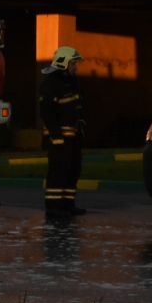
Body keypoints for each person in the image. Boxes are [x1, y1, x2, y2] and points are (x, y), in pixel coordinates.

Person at [39, 45, 87, 218]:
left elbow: (76, 106)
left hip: (73, 137)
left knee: (72, 170)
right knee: (58, 172)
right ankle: (53, 207)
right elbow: (47, 113)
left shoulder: (71, 81)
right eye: (73, 63)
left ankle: (67, 204)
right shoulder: (51, 83)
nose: (76, 67)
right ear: (64, 62)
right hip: (58, 138)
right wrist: (56, 136)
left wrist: (80, 122)